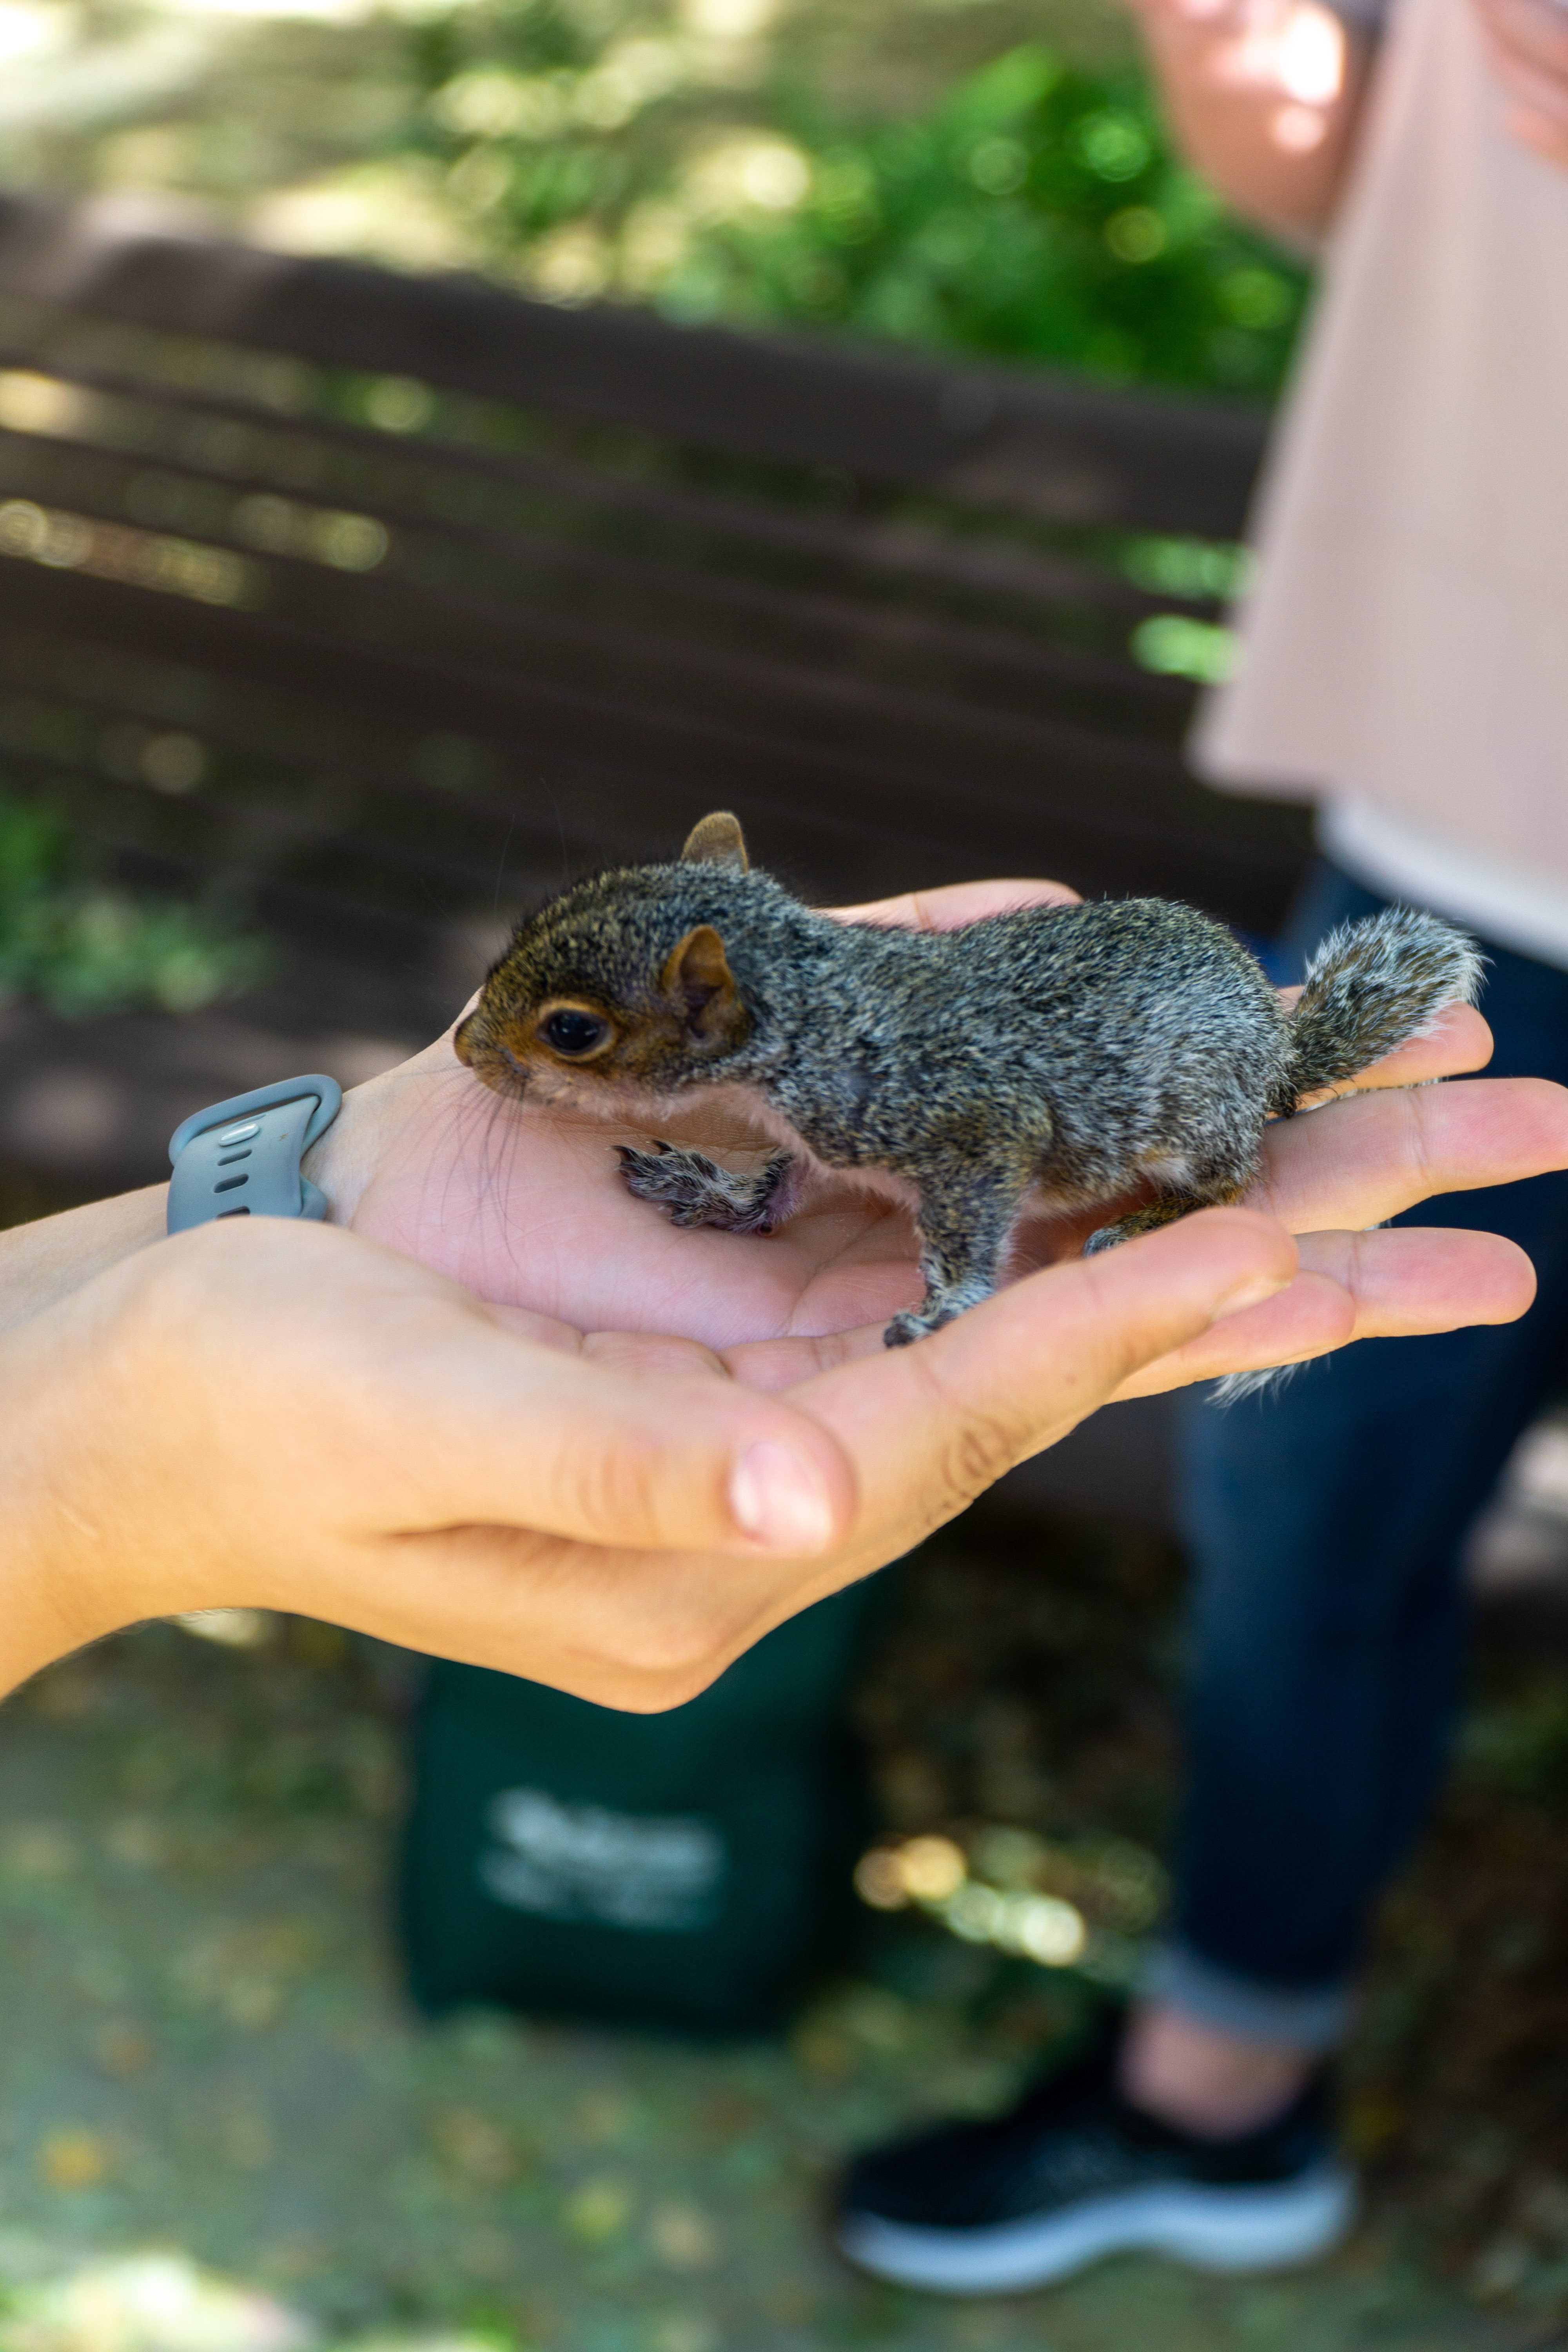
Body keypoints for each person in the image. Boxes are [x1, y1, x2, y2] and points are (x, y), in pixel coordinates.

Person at [837, 0, 1568, 2297]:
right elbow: (1405, 213)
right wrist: (1258, 84)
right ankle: (1219, 2100)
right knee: (1307, 1489)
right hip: (1466, 820)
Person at [2, 875, 1559, 1716]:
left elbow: (976, 1147)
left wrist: (958, 1291)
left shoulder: (868, 1078)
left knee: (1188, 1129)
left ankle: (1197, 1188)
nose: (495, 1065)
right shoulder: (802, 1080)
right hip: (1077, 994)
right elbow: (818, 1158)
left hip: (1172, 1071)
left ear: (705, 1003)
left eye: (565, 1039)